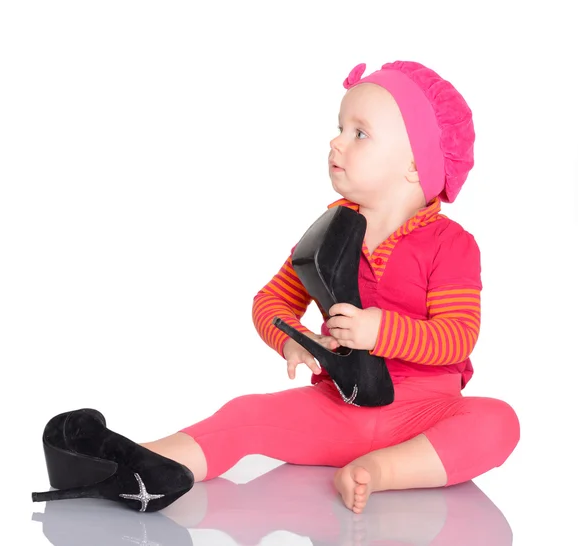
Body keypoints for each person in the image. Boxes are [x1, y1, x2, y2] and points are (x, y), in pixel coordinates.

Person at [139, 60, 520, 515]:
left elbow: (457, 336)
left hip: (424, 416)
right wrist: (292, 339)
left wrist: (380, 332)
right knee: (245, 413)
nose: (336, 141)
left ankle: (382, 470)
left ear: (416, 164)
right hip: (340, 407)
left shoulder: (450, 245)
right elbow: (271, 300)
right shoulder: (327, 235)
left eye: (360, 133)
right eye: (340, 127)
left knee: (499, 422)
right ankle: (138, 462)